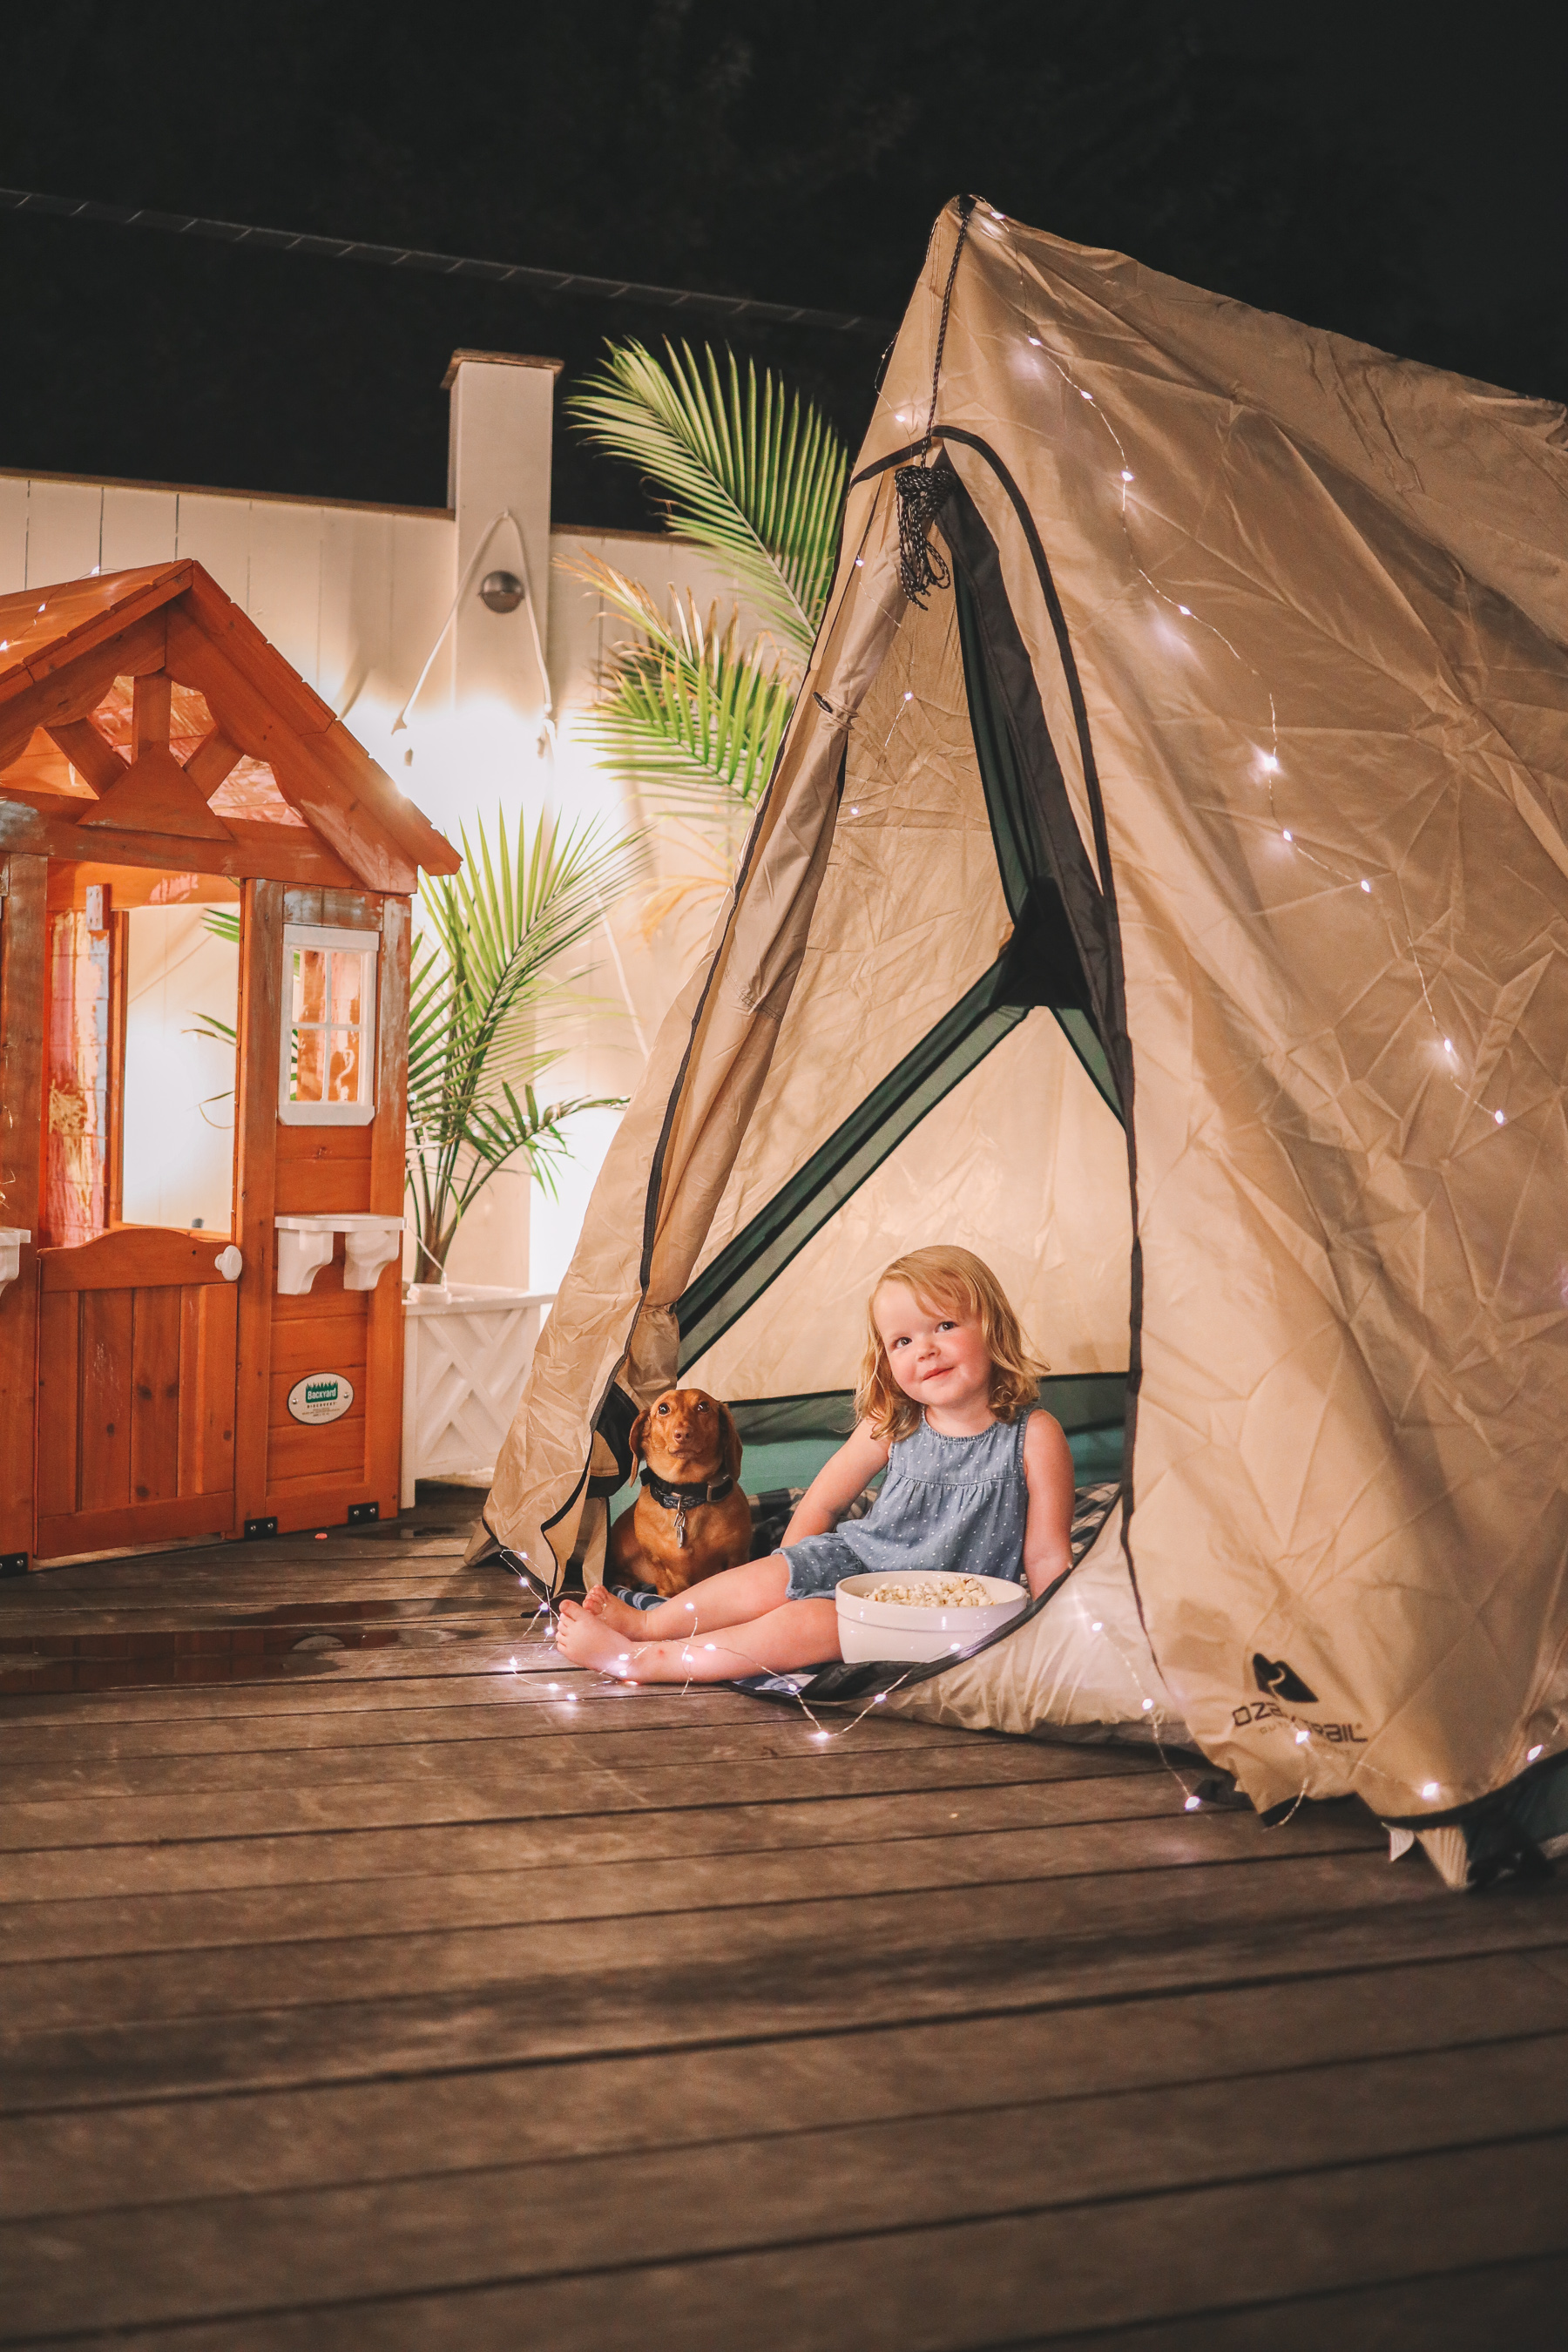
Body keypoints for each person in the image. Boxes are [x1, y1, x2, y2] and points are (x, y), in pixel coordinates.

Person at [553, 1245, 1076, 1685]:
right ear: (886, 1360)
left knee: (799, 1630)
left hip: (942, 1606)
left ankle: (644, 1661)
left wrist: (1056, 1633)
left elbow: (1048, 1555)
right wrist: (787, 1569)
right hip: (860, 1562)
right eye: (903, 1340)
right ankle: (650, 1626)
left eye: (944, 1324)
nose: (926, 1350)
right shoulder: (892, 1422)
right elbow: (824, 1501)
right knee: (765, 1581)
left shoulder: (1033, 1435)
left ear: (992, 1327)